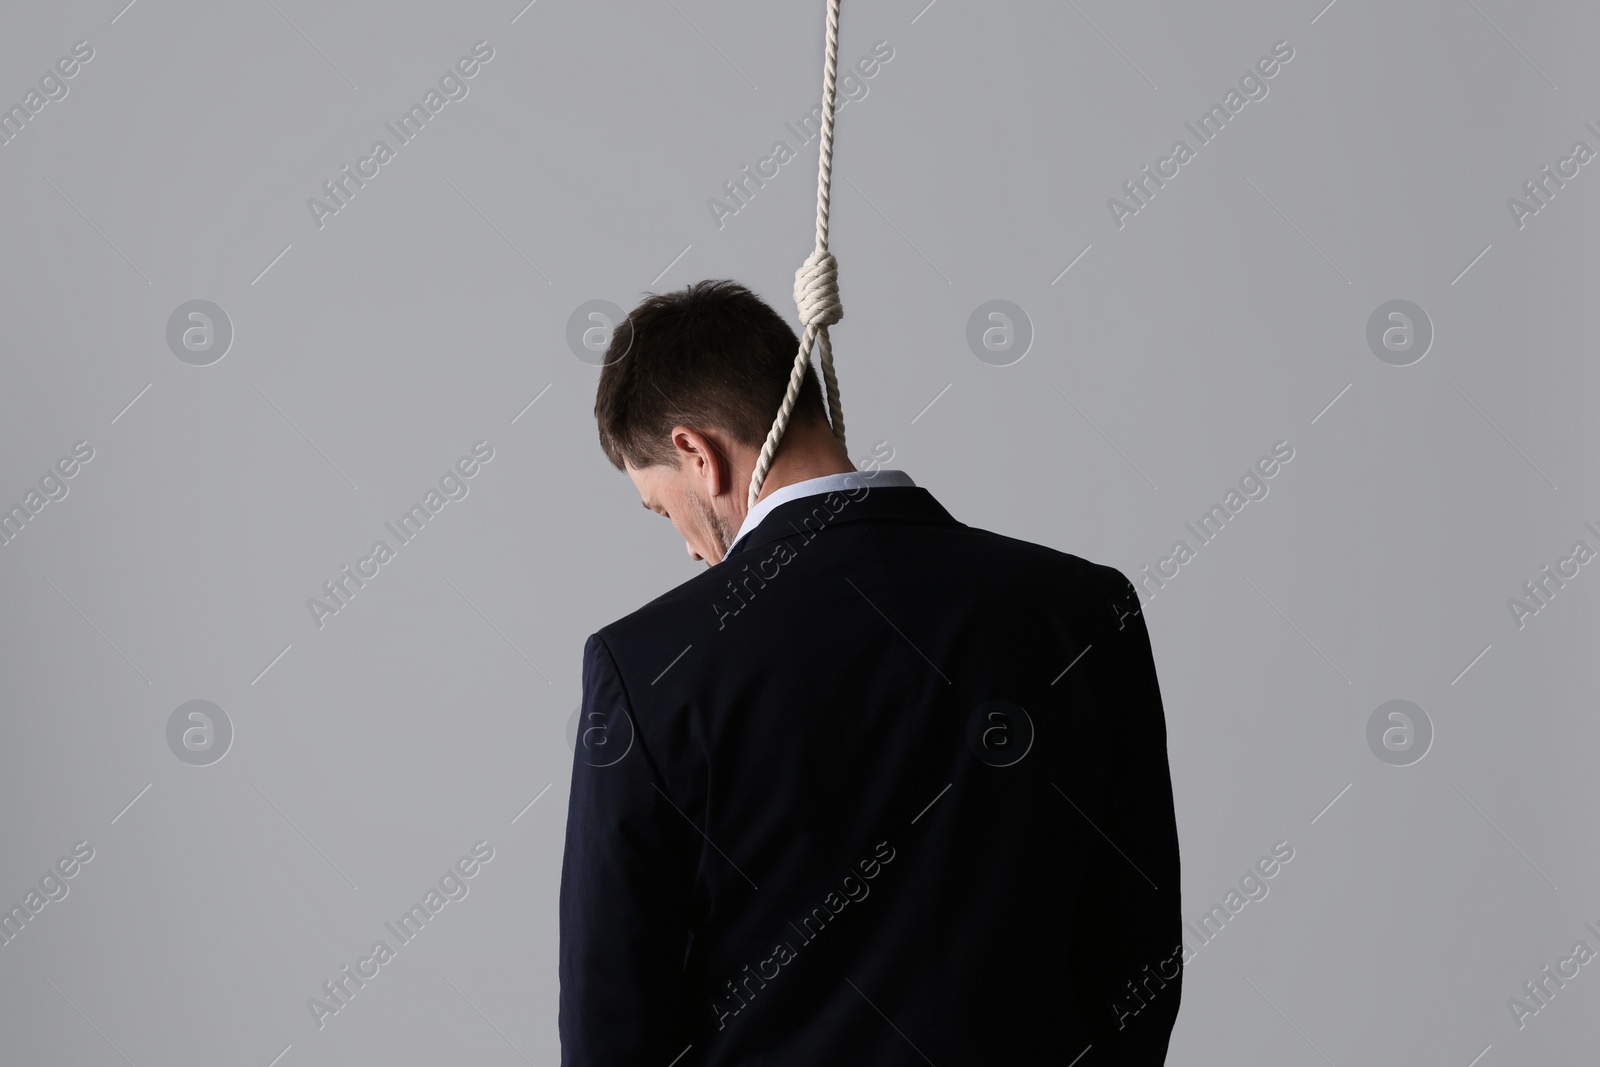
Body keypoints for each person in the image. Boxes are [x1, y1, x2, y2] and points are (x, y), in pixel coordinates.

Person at [559, 280, 1182, 1065]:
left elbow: (612, 1020)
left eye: (663, 508)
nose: (687, 545)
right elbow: (1138, 957)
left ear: (696, 451)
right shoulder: (1084, 609)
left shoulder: (647, 664)